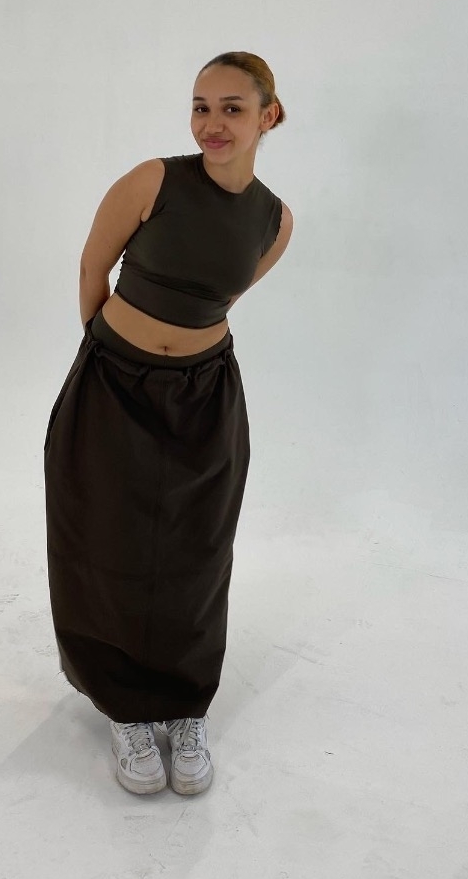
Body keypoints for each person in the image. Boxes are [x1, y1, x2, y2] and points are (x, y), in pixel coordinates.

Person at [44, 51, 294, 796]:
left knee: (196, 549)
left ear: (268, 116)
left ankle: (185, 708)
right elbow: (92, 270)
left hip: (205, 394)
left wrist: (176, 361)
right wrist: (110, 357)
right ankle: (124, 708)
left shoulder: (276, 222)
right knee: (106, 541)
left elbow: (218, 300)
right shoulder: (152, 181)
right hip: (113, 383)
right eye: (200, 107)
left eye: (232, 109)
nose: (212, 123)